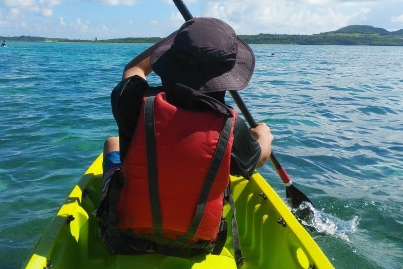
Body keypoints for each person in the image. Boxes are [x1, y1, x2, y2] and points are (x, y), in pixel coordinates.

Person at [96, 17, 273, 265]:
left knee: (112, 143)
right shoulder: (233, 128)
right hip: (196, 247)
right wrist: (263, 136)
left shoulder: (133, 100)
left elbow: (134, 69)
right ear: (228, 76)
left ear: (168, 60)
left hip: (123, 237)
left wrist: (174, 39)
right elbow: (258, 159)